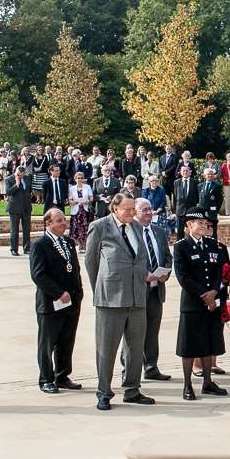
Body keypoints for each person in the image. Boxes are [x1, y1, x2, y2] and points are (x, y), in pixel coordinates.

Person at [84, 193, 154, 410]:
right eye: (128, 209)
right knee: (107, 348)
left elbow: (140, 257)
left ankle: (132, 389)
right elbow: (91, 262)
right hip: (110, 299)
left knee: (135, 347)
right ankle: (104, 392)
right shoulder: (100, 227)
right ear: (114, 208)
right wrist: (101, 288)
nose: (133, 213)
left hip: (136, 297)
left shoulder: (135, 227)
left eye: (134, 209)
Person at [173, 207, 229, 399]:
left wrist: (214, 292)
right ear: (189, 225)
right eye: (200, 223)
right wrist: (204, 294)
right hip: (193, 303)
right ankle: (187, 385)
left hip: (212, 302)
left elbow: (220, 271)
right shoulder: (181, 247)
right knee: (189, 346)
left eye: (206, 223)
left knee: (208, 343)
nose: (205, 225)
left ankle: (207, 381)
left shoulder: (213, 245)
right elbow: (183, 277)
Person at [29, 208, 84, 394]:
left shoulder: (68, 243)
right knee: (48, 342)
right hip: (51, 302)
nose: (63, 223)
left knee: (66, 340)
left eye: (64, 220)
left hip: (71, 301)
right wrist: (58, 293)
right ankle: (46, 378)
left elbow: (74, 268)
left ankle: (62, 375)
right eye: (59, 220)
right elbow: (38, 275)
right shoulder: (40, 245)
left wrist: (78, 292)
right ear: (48, 223)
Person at [121, 198, 173, 384]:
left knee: (152, 330)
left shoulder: (158, 232)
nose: (149, 213)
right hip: (136, 290)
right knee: (132, 333)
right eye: (144, 210)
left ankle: (151, 367)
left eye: (150, 209)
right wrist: (143, 274)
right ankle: (127, 370)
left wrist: (165, 273)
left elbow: (167, 256)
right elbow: (125, 260)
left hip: (156, 290)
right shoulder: (128, 232)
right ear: (134, 211)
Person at [6, 167, 32, 255]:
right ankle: (14, 249)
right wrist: (16, 185)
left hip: (26, 208)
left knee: (27, 229)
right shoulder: (9, 179)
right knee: (14, 230)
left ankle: (27, 248)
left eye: (22, 175)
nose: (20, 176)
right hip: (14, 208)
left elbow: (29, 190)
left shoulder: (27, 178)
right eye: (18, 174)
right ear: (16, 172)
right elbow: (8, 192)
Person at [67, 170, 94, 250]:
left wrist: (87, 202)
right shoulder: (72, 188)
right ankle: (78, 244)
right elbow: (70, 200)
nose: (80, 179)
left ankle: (84, 245)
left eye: (82, 178)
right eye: (78, 178)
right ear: (75, 179)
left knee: (84, 228)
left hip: (84, 210)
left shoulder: (87, 187)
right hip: (75, 210)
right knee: (75, 228)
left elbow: (91, 198)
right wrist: (74, 202)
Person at [171, 164, 199, 237]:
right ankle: (180, 247)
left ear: (190, 172)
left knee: (192, 231)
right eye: (183, 171)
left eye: (187, 171)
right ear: (180, 172)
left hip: (191, 210)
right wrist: (174, 210)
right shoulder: (176, 182)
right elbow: (174, 197)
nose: (185, 172)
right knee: (180, 232)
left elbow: (197, 197)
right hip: (180, 211)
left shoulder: (195, 182)